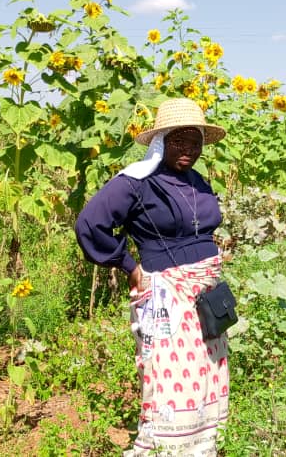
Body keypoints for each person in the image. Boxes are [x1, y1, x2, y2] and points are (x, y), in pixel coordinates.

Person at [75, 98, 230, 456]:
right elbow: (89, 223)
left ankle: (202, 447)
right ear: (161, 140)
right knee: (169, 379)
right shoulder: (137, 182)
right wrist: (129, 265)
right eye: (179, 141)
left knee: (207, 375)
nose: (189, 149)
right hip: (166, 296)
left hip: (205, 294)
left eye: (195, 142)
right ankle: (164, 448)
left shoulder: (198, 182)